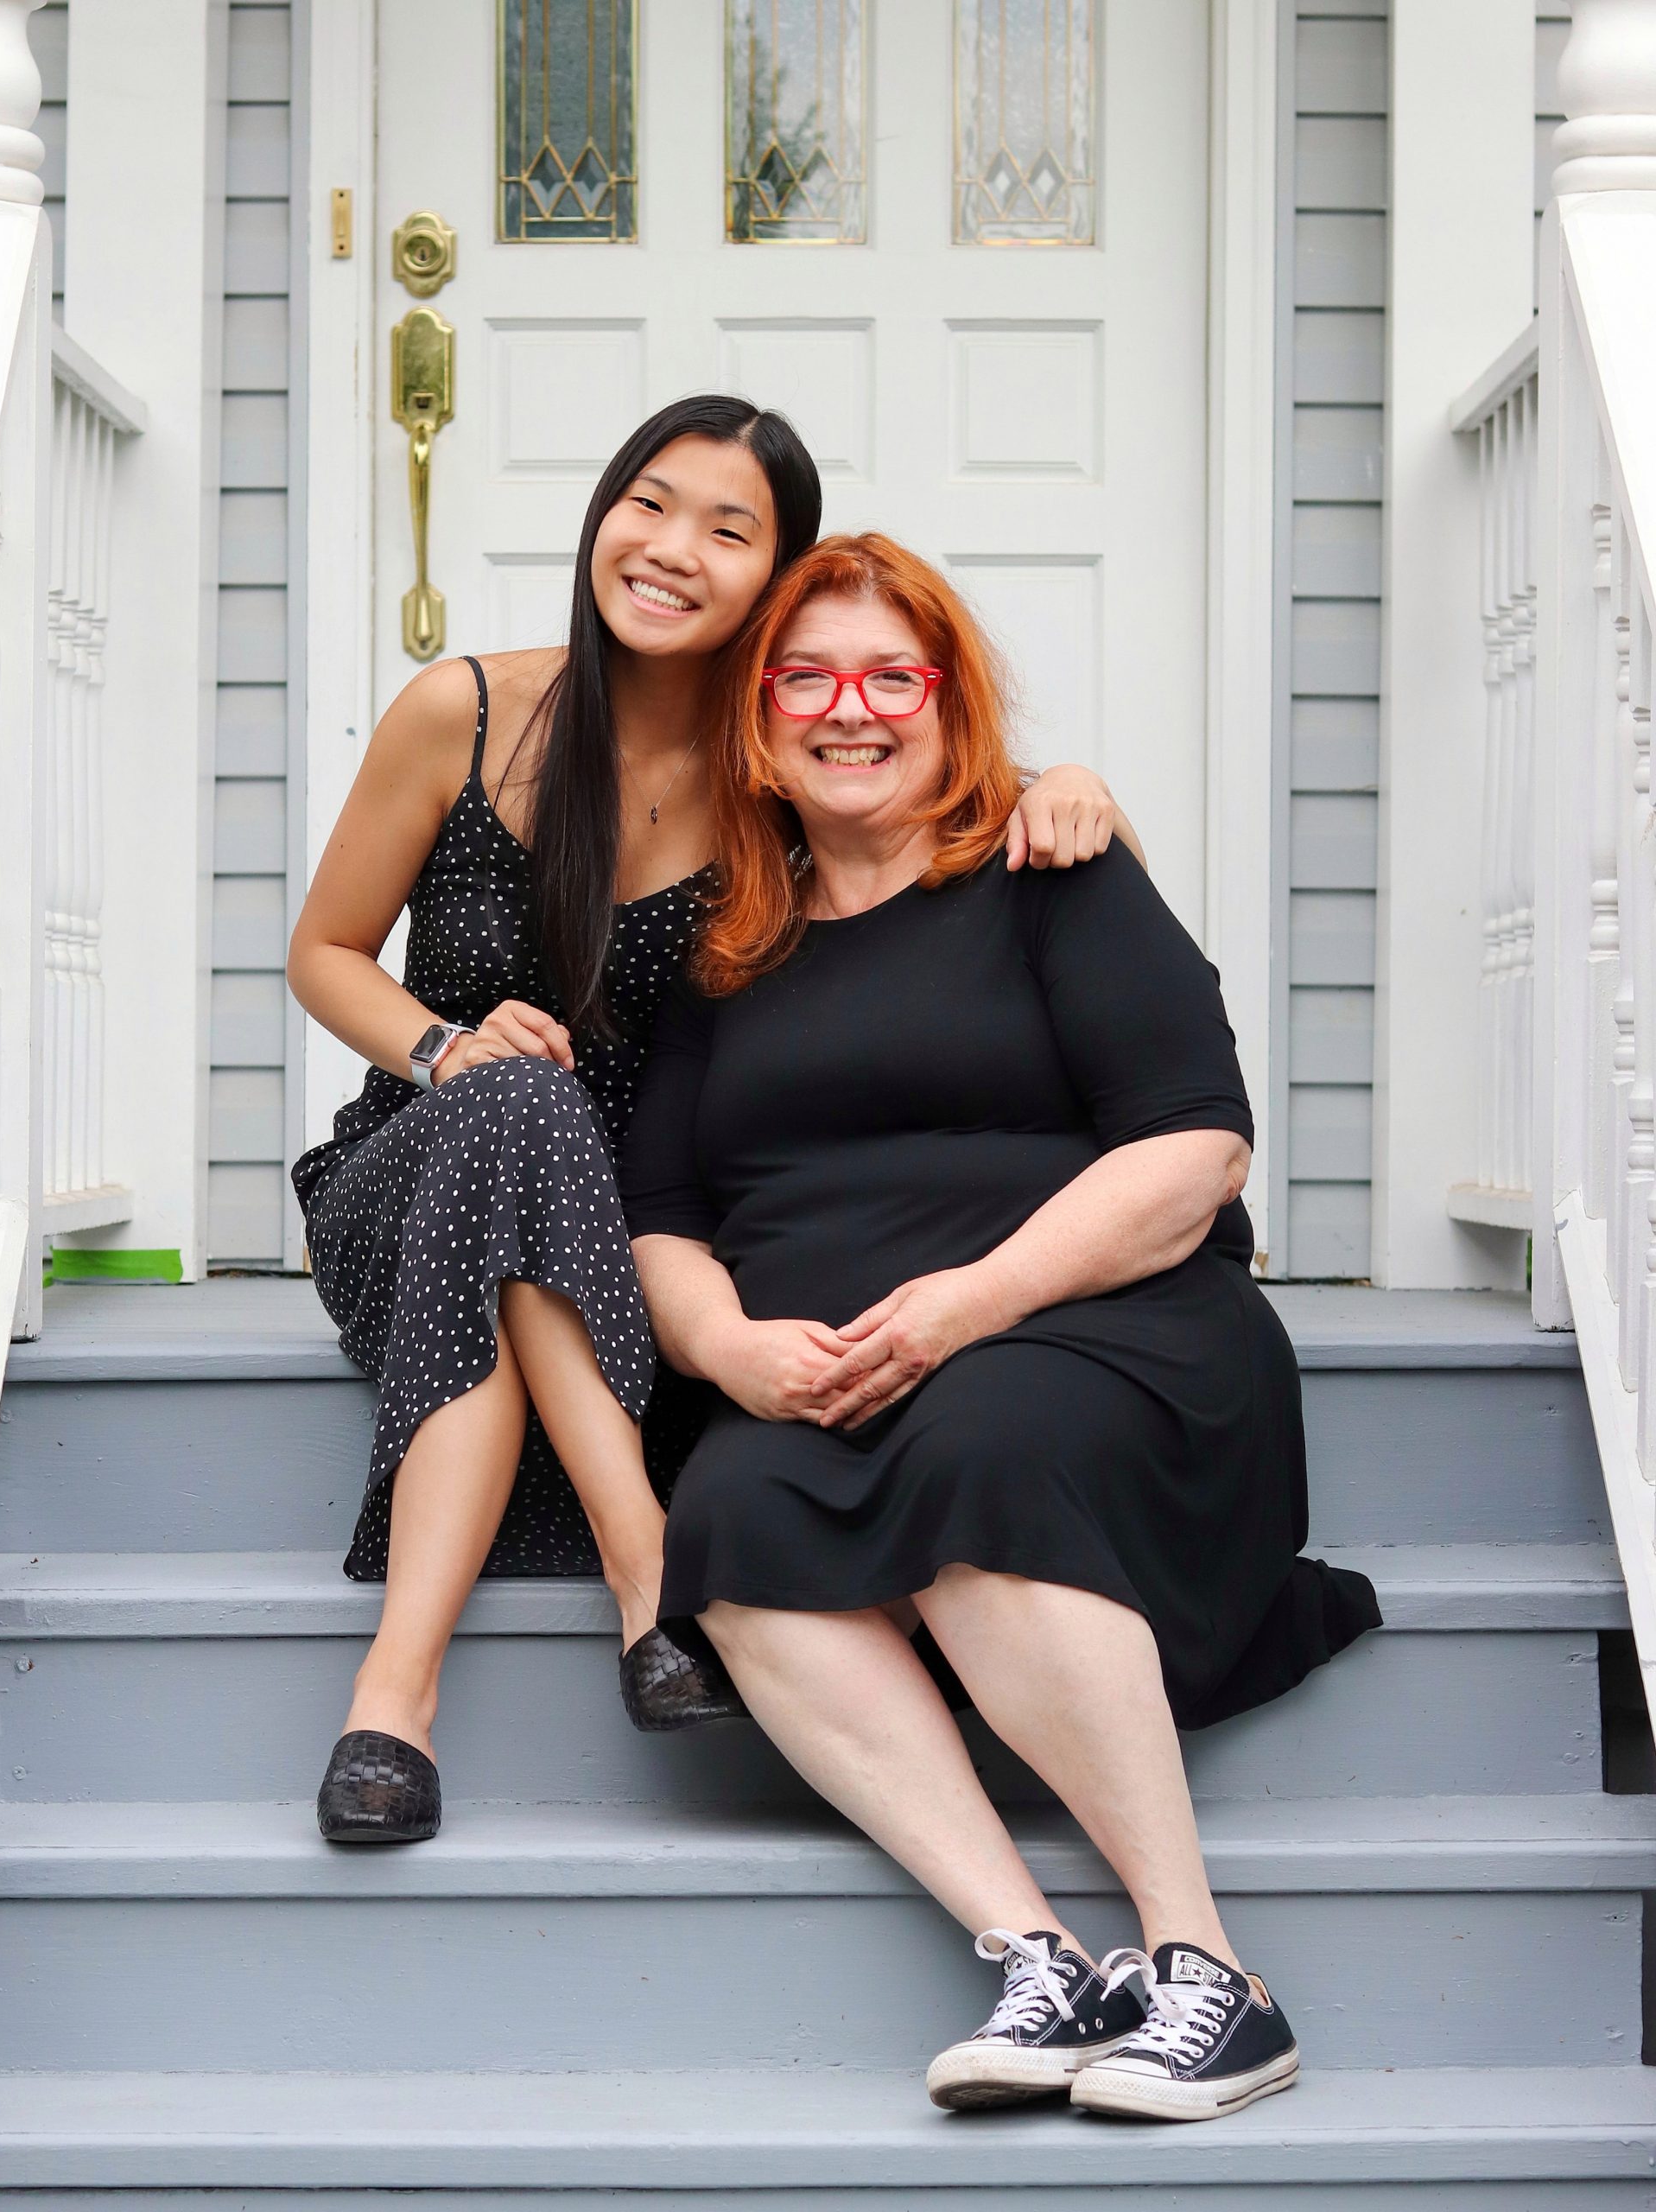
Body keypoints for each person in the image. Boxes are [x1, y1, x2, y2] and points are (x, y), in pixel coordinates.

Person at [286, 398, 1140, 1843]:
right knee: (516, 1102)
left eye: (729, 530)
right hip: (417, 1174)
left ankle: (392, 1712)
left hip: (647, 1248)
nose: (672, 548)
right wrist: (444, 1047)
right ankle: (616, 1589)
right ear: (604, 515)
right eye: (649, 503)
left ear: (778, 578)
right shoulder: (466, 711)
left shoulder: (779, 777)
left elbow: (934, 809)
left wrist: (1065, 786)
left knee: (543, 1129)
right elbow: (323, 954)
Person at [619, 533, 1380, 2124]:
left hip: (1111, 1337)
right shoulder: (717, 946)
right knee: (734, 1512)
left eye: (893, 676)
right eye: (808, 676)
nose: (851, 711)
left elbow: (1196, 1149)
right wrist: (726, 1349)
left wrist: (977, 1301)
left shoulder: (1053, 872)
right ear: (758, 712)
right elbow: (668, 1220)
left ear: (950, 705)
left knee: (975, 1443)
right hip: (842, 1382)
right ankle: (1046, 1961)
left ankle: (1207, 1972)